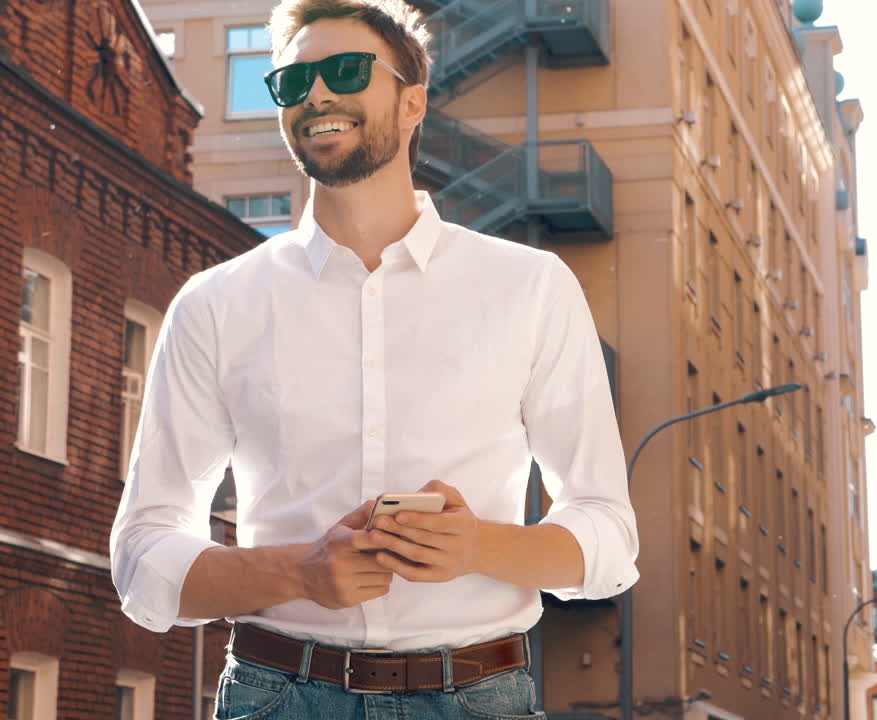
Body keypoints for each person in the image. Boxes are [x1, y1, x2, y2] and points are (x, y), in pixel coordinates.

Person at [108, 0, 639, 717]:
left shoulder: (531, 288)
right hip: (276, 696)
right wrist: (299, 571)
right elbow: (143, 555)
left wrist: (478, 548)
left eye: (346, 71)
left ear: (413, 100)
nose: (317, 95)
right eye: (292, 83)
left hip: (479, 697)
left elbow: (607, 536)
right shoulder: (216, 302)